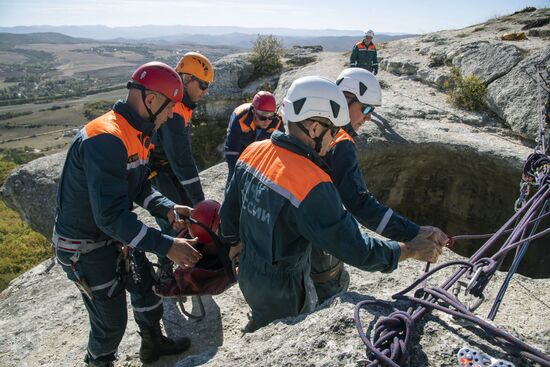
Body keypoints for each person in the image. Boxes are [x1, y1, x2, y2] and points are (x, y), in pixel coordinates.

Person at [219, 76, 445, 332]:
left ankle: (257, 324)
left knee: (264, 319)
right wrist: (411, 249)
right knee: (289, 333)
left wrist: (234, 242)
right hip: (286, 293)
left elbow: (229, 211)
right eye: (334, 130)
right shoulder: (312, 184)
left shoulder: (254, 151)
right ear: (314, 128)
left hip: (249, 274)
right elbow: (358, 250)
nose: (335, 139)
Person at [52, 62, 203, 367]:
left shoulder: (135, 132)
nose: (172, 114)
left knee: (147, 287)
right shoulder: (106, 139)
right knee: (111, 323)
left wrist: (168, 208)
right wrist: (168, 246)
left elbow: (139, 186)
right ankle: (99, 362)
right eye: (169, 106)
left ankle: (152, 344)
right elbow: (109, 216)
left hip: (109, 235)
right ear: (150, 100)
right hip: (85, 246)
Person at [310, 67, 448, 303]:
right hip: (316, 242)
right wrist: (413, 233)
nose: (368, 117)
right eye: (365, 108)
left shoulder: (309, 125)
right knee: (330, 284)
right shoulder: (340, 143)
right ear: (345, 99)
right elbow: (359, 203)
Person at [149, 52, 214, 236]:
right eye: (203, 85)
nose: (205, 91)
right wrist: (201, 203)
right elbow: (181, 160)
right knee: (175, 227)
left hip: (165, 167)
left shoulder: (181, 103)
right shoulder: (174, 108)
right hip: (156, 171)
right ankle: (168, 261)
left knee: (189, 215)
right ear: (187, 79)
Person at [223, 91, 285, 186]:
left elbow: (280, 150)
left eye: (270, 116)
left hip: (261, 149)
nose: (267, 121)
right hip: (241, 146)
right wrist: (236, 172)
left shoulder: (277, 122)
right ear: (253, 111)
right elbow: (231, 149)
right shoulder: (240, 117)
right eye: (262, 117)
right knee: (234, 178)